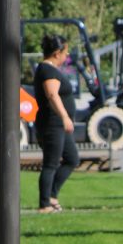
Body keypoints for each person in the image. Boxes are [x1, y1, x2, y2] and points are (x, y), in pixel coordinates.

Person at [32, 32, 80, 212]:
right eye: (65, 53)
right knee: (51, 163)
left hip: (58, 125)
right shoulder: (47, 70)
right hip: (52, 123)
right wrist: (64, 116)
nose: (66, 56)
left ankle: (52, 195)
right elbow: (52, 95)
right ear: (57, 53)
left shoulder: (51, 70)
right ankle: (44, 204)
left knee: (72, 159)